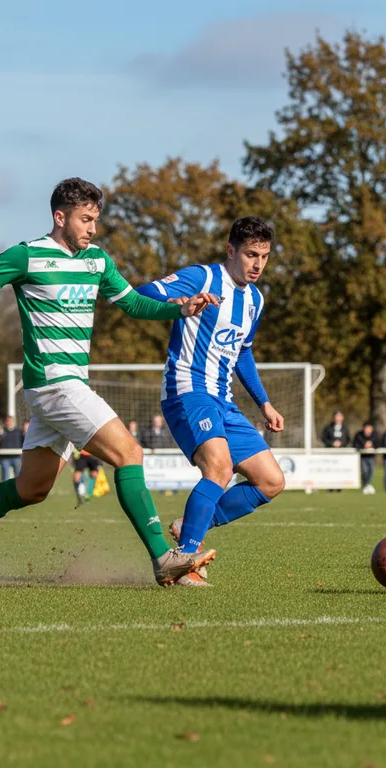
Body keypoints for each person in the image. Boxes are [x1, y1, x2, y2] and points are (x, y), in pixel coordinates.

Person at [0, 177, 217, 587]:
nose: (93, 229)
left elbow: (134, 304)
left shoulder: (98, 262)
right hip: (54, 385)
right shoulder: (27, 256)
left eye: (95, 220)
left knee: (32, 488)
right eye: (86, 220)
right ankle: (163, 557)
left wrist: (180, 309)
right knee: (130, 453)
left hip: (66, 387)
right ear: (60, 216)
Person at [136, 216, 286, 587]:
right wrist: (182, 301)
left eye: (264, 256)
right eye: (251, 254)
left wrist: (264, 403)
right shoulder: (202, 277)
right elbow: (142, 293)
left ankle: (190, 525)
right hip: (187, 390)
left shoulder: (255, 299)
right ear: (231, 250)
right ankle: (184, 560)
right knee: (219, 470)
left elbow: (243, 354)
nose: (257, 264)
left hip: (224, 400)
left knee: (271, 481)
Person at [353, 422, 379, 494]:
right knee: (364, 471)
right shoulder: (358, 435)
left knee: (370, 471)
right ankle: (366, 485)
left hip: (371, 456)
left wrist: (372, 445)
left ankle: (367, 485)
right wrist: (363, 446)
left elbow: (378, 444)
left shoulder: (375, 435)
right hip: (362, 457)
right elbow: (355, 445)